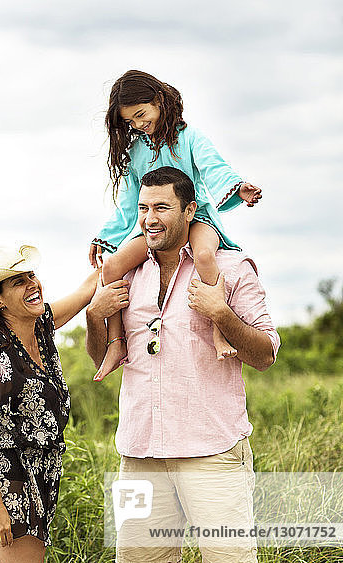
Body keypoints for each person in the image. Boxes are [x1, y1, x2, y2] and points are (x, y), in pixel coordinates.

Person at [86, 167, 280, 563]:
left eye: (161, 208)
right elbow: (101, 358)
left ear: (190, 210)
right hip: (140, 451)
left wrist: (221, 314)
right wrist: (94, 313)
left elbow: (265, 354)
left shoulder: (230, 267)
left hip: (209, 449)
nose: (149, 219)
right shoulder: (127, 274)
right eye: (143, 208)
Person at [0, 244, 128, 563]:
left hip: (42, 474)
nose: (32, 285)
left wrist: (116, 240)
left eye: (31, 276)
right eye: (18, 283)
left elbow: (88, 289)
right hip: (12, 479)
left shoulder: (40, 327)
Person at [90, 69, 262, 381]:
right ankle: (117, 342)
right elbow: (131, 204)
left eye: (141, 115)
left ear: (159, 101)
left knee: (206, 257)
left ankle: (219, 330)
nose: (138, 125)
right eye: (130, 122)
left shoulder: (190, 138)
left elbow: (213, 167)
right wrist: (105, 237)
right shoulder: (136, 151)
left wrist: (237, 187)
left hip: (196, 219)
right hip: (157, 227)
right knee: (112, 268)